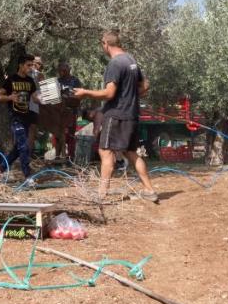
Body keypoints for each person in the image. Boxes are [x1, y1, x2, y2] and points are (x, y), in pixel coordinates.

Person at [73, 30, 159, 203]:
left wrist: (85, 93)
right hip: (132, 114)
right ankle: (150, 190)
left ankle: (101, 195)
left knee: (105, 152)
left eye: (102, 45)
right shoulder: (131, 60)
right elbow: (145, 85)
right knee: (131, 152)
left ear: (105, 44)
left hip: (117, 115)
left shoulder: (115, 63)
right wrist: (130, 96)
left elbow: (109, 93)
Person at [0, 55, 38, 181]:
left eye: (32, 65)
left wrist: (44, 99)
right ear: (21, 65)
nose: (31, 68)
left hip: (26, 118)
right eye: (28, 65)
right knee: (24, 146)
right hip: (15, 118)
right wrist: (10, 98)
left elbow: (35, 97)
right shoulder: (11, 80)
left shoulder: (30, 81)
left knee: (18, 149)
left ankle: (0, 170)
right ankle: (27, 176)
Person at [50, 60, 84, 162]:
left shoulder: (75, 81)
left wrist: (69, 97)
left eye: (64, 69)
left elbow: (80, 96)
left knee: (70, 135)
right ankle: (57, 157)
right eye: (60, 70)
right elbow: (52, 98)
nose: (62, 72)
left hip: (71, 112)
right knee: (57, 135)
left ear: (69, 69)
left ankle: (70, 158)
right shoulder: (57, 81)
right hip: (58, 112)